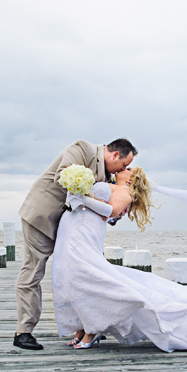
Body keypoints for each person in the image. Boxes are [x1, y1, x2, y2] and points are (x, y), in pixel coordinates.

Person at [52, 167, 187, 354]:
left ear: (130, 179)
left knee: (94, 279)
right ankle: (83, 328)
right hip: (77, 230)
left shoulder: (124, 191)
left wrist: (82, 198)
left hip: (86, 232)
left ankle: (91, 330)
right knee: (76, 278)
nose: (124, 169)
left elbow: (111, 211)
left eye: (129, 169)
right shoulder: (110, 184)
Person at [14, 139, 136, 350]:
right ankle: (23, 331)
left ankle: (89, 325)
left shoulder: (108, 176)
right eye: (124, 165)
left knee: (79, 275)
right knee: (33, 271)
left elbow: (107, 206)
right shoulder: (82, 149)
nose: (123, 170)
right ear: (115, 155)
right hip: (43, 217)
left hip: (70, 228)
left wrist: (118, 210)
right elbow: (63, 177)